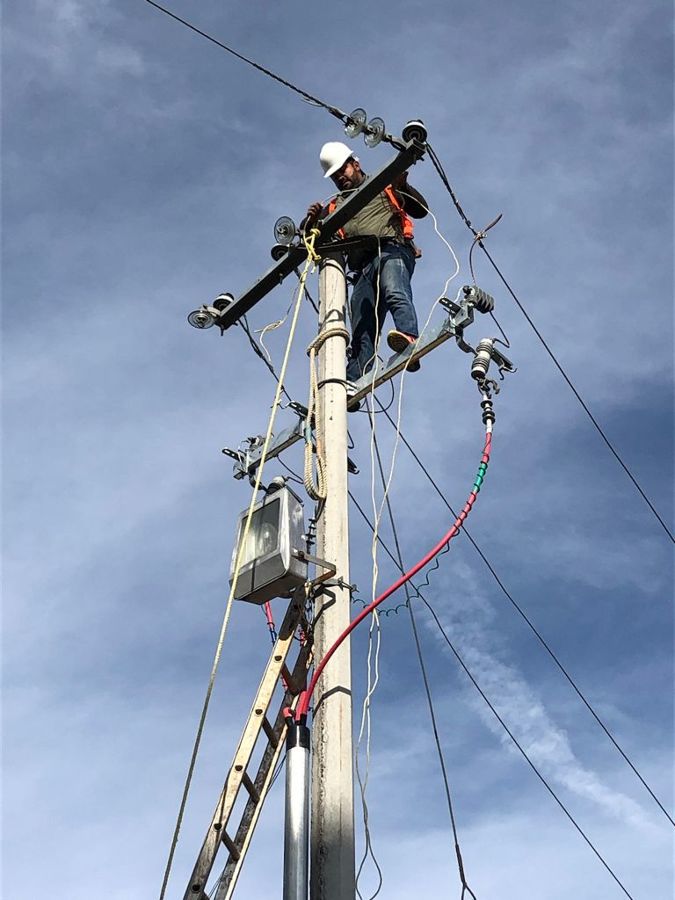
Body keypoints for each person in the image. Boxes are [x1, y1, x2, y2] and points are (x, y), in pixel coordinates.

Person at [304, 141, 429, 384]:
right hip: (362, 269)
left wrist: (403, 186)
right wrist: (311, 220)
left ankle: (408, 337)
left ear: (355, 164)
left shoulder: (383, 184)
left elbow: (421, 210)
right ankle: (355, 379)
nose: (340, 177)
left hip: (391, 250)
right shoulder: (335, 207)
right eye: (335, 176)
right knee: (362, 325)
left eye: (343, 169)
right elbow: (307, 237)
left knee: (394, 290)